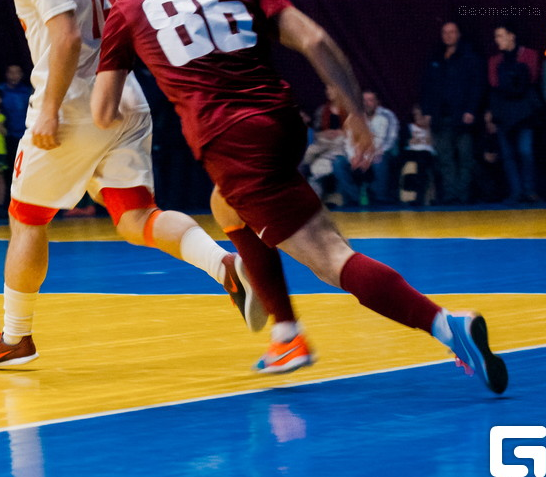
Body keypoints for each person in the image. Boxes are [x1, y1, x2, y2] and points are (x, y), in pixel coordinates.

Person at [91, 0, 508, 393]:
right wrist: (354, 112)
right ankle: (286, 332)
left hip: (232, 141)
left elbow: (104, 112)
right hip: (282, 120)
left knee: (331, 258)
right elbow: (315, 40)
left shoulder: (125, 10)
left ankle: (447, 326)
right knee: (225, 204)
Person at [0, 0, 266, 368]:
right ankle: (226, 266)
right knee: (138, 217)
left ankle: (16, 338)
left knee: (26, 219)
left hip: (73, 106)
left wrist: (49, 110)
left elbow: (68, 37)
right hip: (123, 95)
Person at [420, 22, 484, 205]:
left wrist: (471, 109)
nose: (448, 35)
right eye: (445, 32)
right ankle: (450, 194)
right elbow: (426, 87)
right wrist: (427, 111)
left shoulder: (469, 58)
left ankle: (463, 194)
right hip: (440, 116)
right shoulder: (435, 58)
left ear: (459, 34)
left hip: (462, 115)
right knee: (445, 157)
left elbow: (477, 86)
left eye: (452, 32)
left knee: (465, 156)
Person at [487, 24, 542, 204]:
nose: (497, 40)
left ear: (512, 36)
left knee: (525, 151)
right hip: (503, 112)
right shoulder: (494, 61)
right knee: (508, 154)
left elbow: (530, 79)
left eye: (501, 36)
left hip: (524, 112)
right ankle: (516, 192)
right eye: (496, 36)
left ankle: (529, 190)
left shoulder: (529, 55)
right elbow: (494, 84)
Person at [332, 90, 398, 206]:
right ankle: (354, 198)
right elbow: (348, 142)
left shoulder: (384, 118)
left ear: (377, 102)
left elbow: (384, 143)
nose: (366, 103)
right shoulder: (352, 118)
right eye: (364, 100)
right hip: (356, 154)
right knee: (337, 162)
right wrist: (354, 158)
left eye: (370, 100)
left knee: (379, 160)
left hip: (378, 153)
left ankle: (379, 198)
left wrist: (367, 158)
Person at [398, 105, 436, 206]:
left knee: (422, 162)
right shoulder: (409, 127)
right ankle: (407, 196)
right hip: (411, 152)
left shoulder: (431, 128)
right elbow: (403, 142)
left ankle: (420, 196)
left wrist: (427, 128)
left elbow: (433, 143)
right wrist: (409, 141)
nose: (418, 117)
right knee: (410, 162)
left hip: (426, 153)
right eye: (415, 114)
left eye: (420, 114)